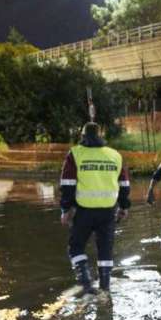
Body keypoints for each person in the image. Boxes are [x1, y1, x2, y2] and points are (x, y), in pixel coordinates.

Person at [59, 122, 130, 296]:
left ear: (83, 135)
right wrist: (123, 206)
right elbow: (124, 184)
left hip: (84, 211)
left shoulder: (75, 154)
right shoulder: (115, 155)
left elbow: (67, 184)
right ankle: (105, 289)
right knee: (105, 250)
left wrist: (65, 209)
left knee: (75, 247)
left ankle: (86, 284)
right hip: (108, 212)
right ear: (101, 134)